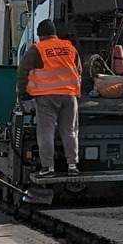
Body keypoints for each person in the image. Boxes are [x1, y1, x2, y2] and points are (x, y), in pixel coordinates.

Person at [19, 19, 81, 180]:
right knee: (70, 131)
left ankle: (48, 167)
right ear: (55, 34)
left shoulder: (36, 49)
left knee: (45, 132)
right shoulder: (70, 48)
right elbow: (79, 70)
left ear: (40, 35)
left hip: (47, 97)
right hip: (69, 96)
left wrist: (23, 93)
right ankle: (73, 165)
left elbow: (22, 71)